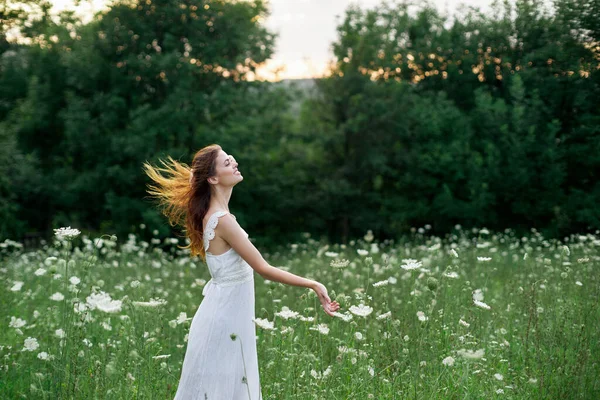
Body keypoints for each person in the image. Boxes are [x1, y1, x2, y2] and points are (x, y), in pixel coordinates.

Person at [142, 144, 340, 400]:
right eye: (226, 163)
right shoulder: (222, 220)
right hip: (224, 321)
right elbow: (263, 268)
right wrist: (313, 284)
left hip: (227, 316)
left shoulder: (218, 216)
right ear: (213, 179)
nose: (234, 162)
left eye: (230, 158)